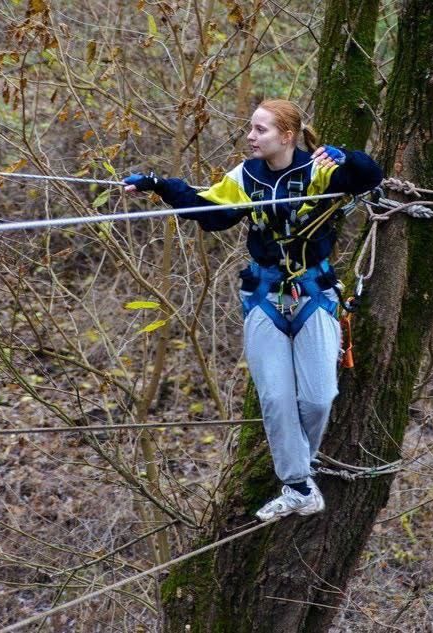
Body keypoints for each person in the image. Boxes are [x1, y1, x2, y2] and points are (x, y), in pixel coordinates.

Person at [123, 99, 382, 521]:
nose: (250, 137)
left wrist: (344, 155)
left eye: (260, 130)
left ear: (287, 135)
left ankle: (299, 477)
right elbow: (209, 212)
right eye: (250, 129)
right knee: (277, 399)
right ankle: (297, 484)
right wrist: (157, 184)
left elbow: (368, 176)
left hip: (313, 292)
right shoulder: (244, 177)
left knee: (318, 399)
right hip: (263, 295)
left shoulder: (319, 170)